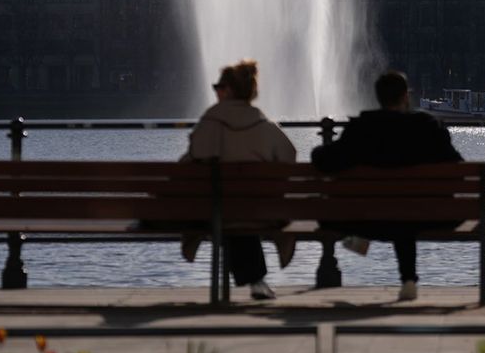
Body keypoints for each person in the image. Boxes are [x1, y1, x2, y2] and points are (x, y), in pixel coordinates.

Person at [311, 70, 463, 301]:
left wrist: (320, 150)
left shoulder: (361, 128)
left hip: (369, 219)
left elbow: (325, 161)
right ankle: (408, 280)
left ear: (378, 97)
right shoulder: (427, 127)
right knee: (404, 216)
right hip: (424, 214)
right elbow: (458, 169)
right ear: (405, 96)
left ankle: (358, 241)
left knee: (330, 215)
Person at [181, 59, 296, 300]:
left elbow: (191, 159)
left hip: (212, 211)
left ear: (230, 90)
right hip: (259, 212)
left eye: (218, 87)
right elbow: (289, 156)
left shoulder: (211, 120)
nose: (215, 91)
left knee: (226, 208)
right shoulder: (264, 124)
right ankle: (258, 278)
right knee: (240, 208)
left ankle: (194, 236)